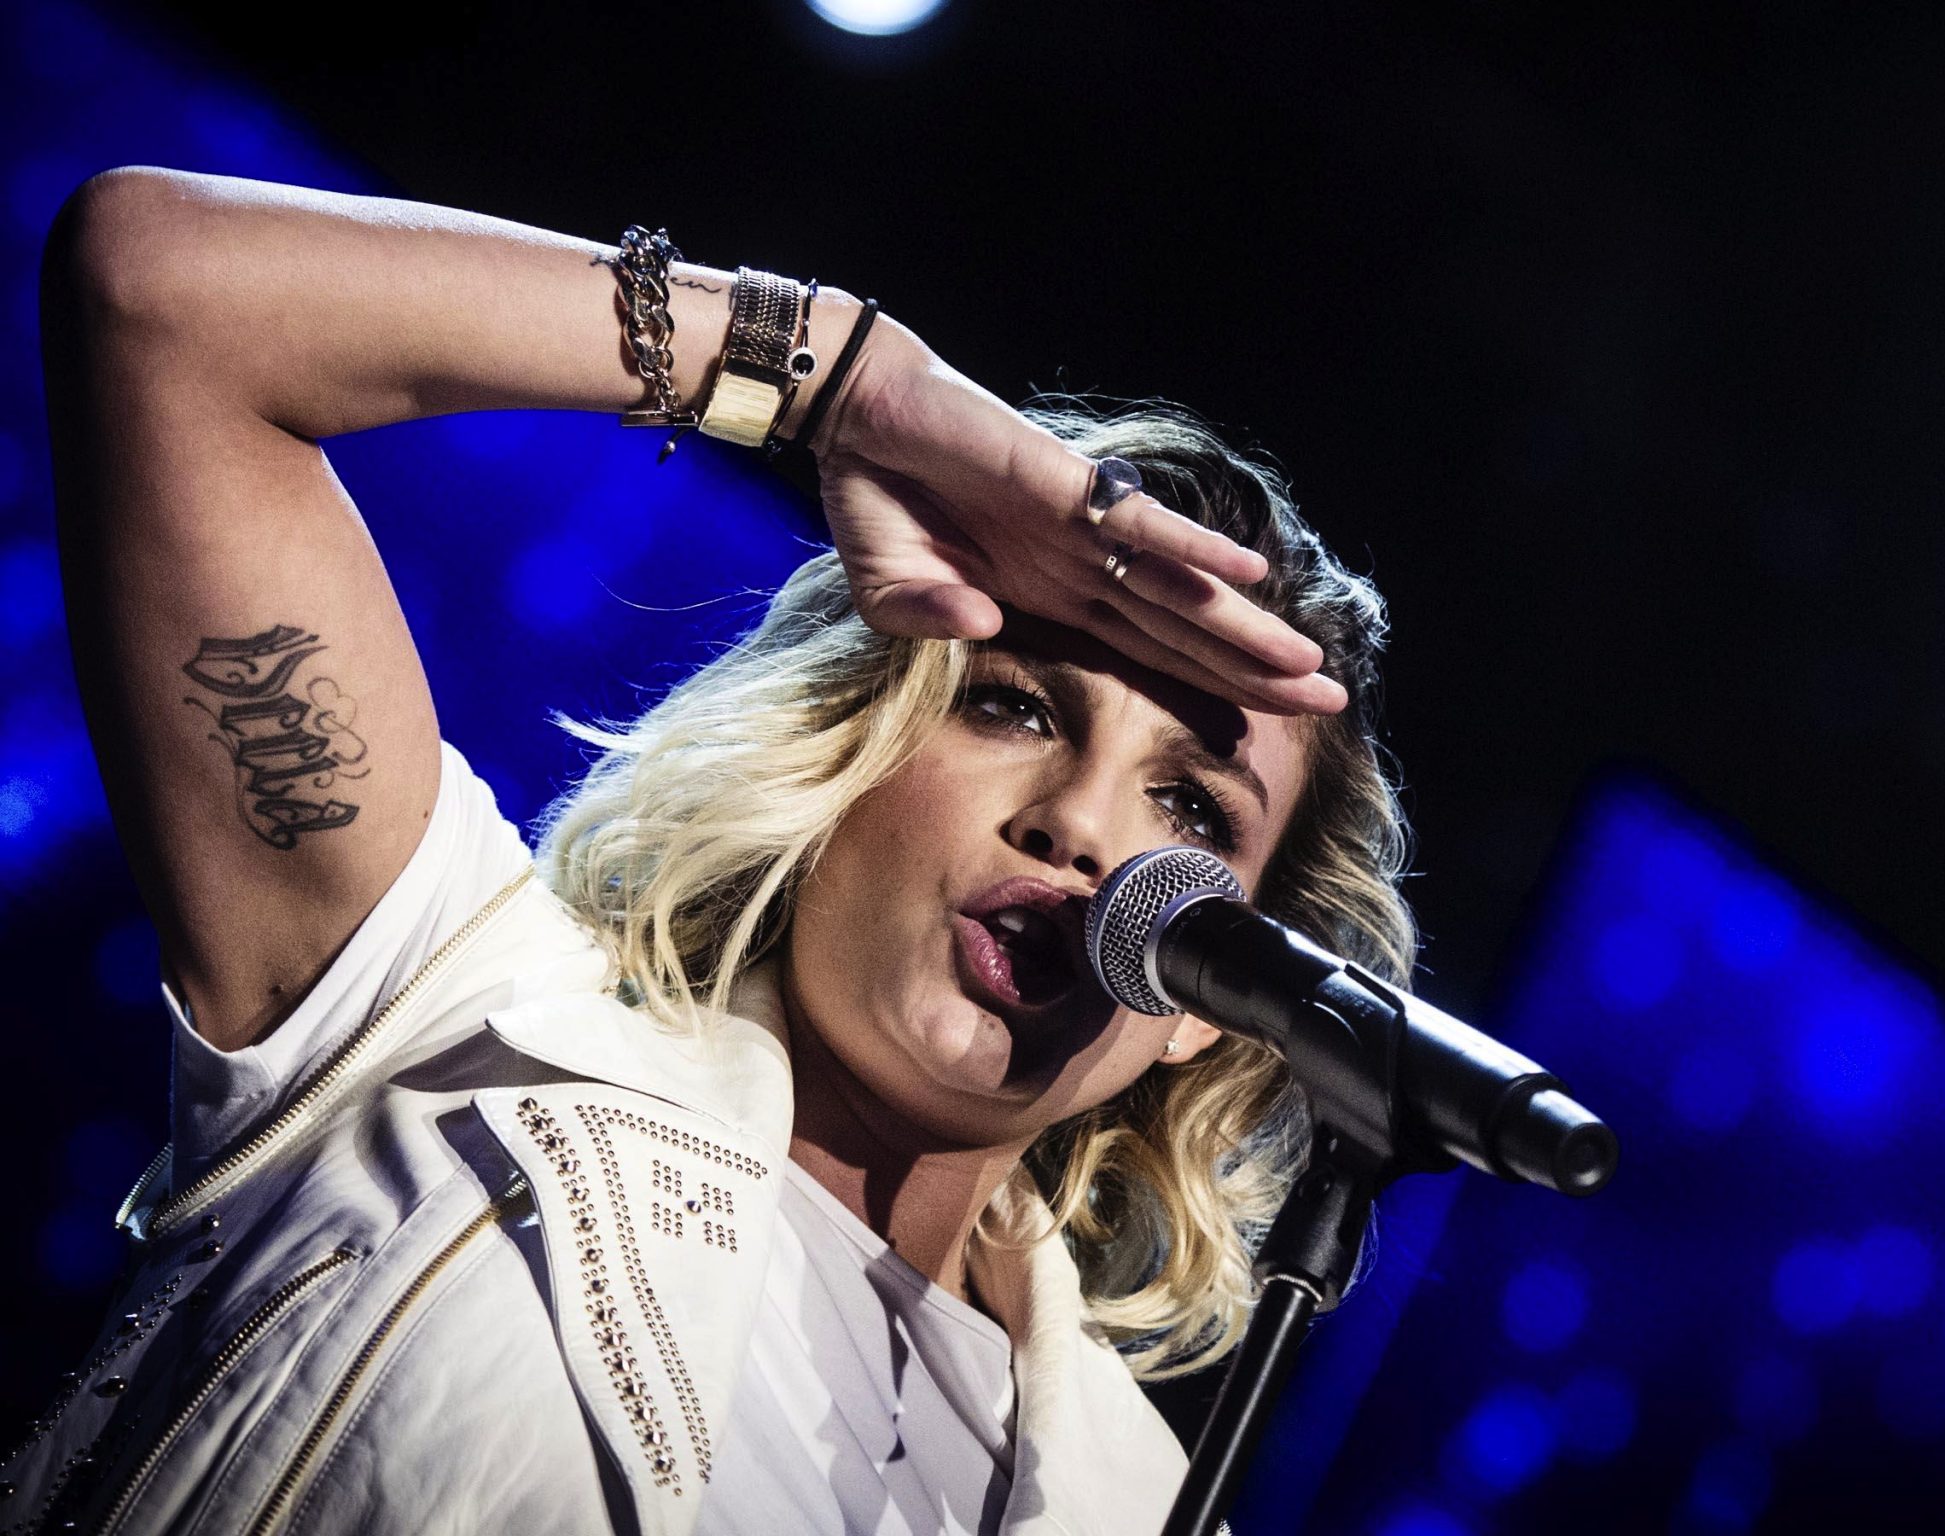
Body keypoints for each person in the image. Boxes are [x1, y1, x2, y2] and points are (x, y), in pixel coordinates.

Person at [5, 166, 1413, 1535]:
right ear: (845, 744)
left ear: (1210, 1009)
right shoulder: (456, 1018)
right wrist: (841, 376)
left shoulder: (1143, 1504)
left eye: (1192, 812)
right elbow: (163, 292)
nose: (1085, 828)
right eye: (1012, 705)